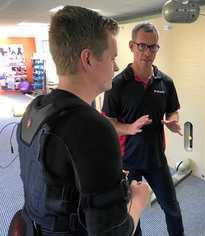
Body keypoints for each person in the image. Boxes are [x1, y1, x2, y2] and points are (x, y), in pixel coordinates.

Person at [15, 6, 150, 236]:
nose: (115, 67)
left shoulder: (35, 109)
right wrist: (138, 200)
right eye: (112, 57)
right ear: (88, 59)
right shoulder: (94, 129)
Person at [102, 22, 184, 236]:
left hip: (156, 158)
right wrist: (128, 127)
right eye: (142, 46)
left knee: (172, 209)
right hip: (128, 161)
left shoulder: (165, 82)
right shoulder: (117, 85)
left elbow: (173, 110)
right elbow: (107, 124)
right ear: (131, 46)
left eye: (153, 47)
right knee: (131, 212)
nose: (148, 53)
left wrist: (173, 121)